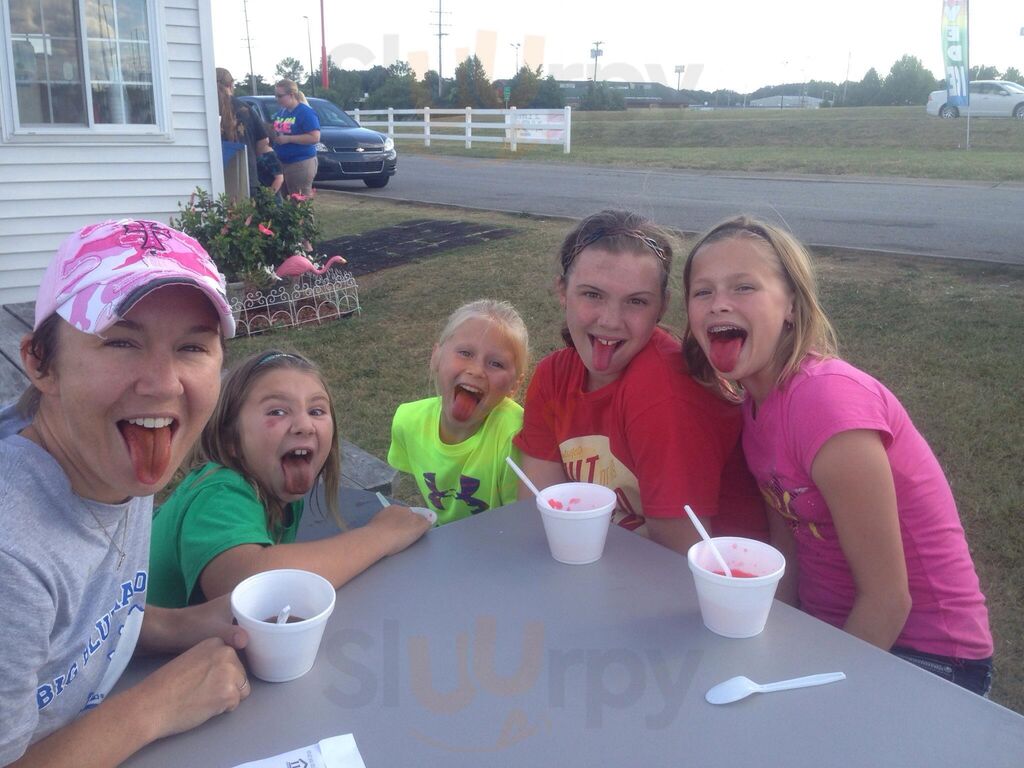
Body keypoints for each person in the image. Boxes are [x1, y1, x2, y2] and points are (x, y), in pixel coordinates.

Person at [682, 215, 993, 694]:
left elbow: (888, 601)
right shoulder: (755, 404)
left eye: (744, 287)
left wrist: (817, 695)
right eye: (702, 291)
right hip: (824, 632)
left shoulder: (827, 402)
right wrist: (764, 641)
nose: (719, 302)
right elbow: (786, 549)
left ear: (790, 304)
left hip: (927, 657)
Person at [0, 219, 251, 767]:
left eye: (192, 346)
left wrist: (183, 624)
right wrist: (155, 707)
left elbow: (76, 624)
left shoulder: (111, 454)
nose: (163, 384)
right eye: (121, 342)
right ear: (41, 362)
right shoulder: (10, 555)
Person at [514, 210, 767, 555]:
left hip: (717, 576)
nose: (610, 320)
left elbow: (678, 555)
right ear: (562, 290)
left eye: (636, 301)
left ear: (661, 307)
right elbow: (537, 514)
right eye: (592, 294)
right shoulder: (552, 377)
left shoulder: (663, 393)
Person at [148, 350, 430, 609]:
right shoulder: (219, 492)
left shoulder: (277, 491)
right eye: (277, 412)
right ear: (230, 438)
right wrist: (381, 535)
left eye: (316, 411)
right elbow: (250, 584)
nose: (305, 425)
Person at [387, 300, 529, 526]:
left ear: (514, 385)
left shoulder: (516, 436)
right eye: (465, 353)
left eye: (496, 364)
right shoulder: (407, 422)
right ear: (436, 357)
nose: (476, 370)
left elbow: (522, 522)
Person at [216, 67, 277, 197]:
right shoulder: (245, 109)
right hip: (246, 174)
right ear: (231, 84)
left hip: (215, 176)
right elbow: (263, 141)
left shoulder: (207, 108)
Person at [271, 78, 320, 197]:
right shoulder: (282, 112)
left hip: (300, 162)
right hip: (282, 162)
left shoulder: (305, 112)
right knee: (282, 201)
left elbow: (315, 137)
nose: (277, 99)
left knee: (299, 201)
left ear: (291, 95)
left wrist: (288, 139)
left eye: (280, 96)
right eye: (276, 96)